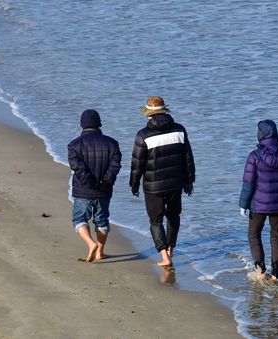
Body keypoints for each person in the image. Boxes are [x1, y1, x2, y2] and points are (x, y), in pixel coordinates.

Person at [130, 96, 195, 267]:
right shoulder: (179, 130)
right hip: (176, 184)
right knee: (174, 217)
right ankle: (171, 250)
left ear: (149, 115)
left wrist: (134, 184)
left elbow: (137, 164)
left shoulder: (143, 135)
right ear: (165, 112)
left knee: (155, 220)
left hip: (153, 187)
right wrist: (190, 181)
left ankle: (164, 256)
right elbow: (188, 158)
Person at [239, 120, 278, 281]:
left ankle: (262, 271)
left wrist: (243, 204)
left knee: (253, 234)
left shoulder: (254, 156)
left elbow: (248, 183)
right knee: (277, 237)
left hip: (258, 205)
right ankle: (276, 275)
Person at [68, 109, 122, 262]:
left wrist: (89, 183)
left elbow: (77, 167)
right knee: (102, 220)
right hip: (104, 190)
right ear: (99, 125)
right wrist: (105, 182)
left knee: (79, 219)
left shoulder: (74, 145)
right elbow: (115, 167)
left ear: (81, 126)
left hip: (83, 190)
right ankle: (100, 252)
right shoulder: (112, 143)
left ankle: (91, 244)